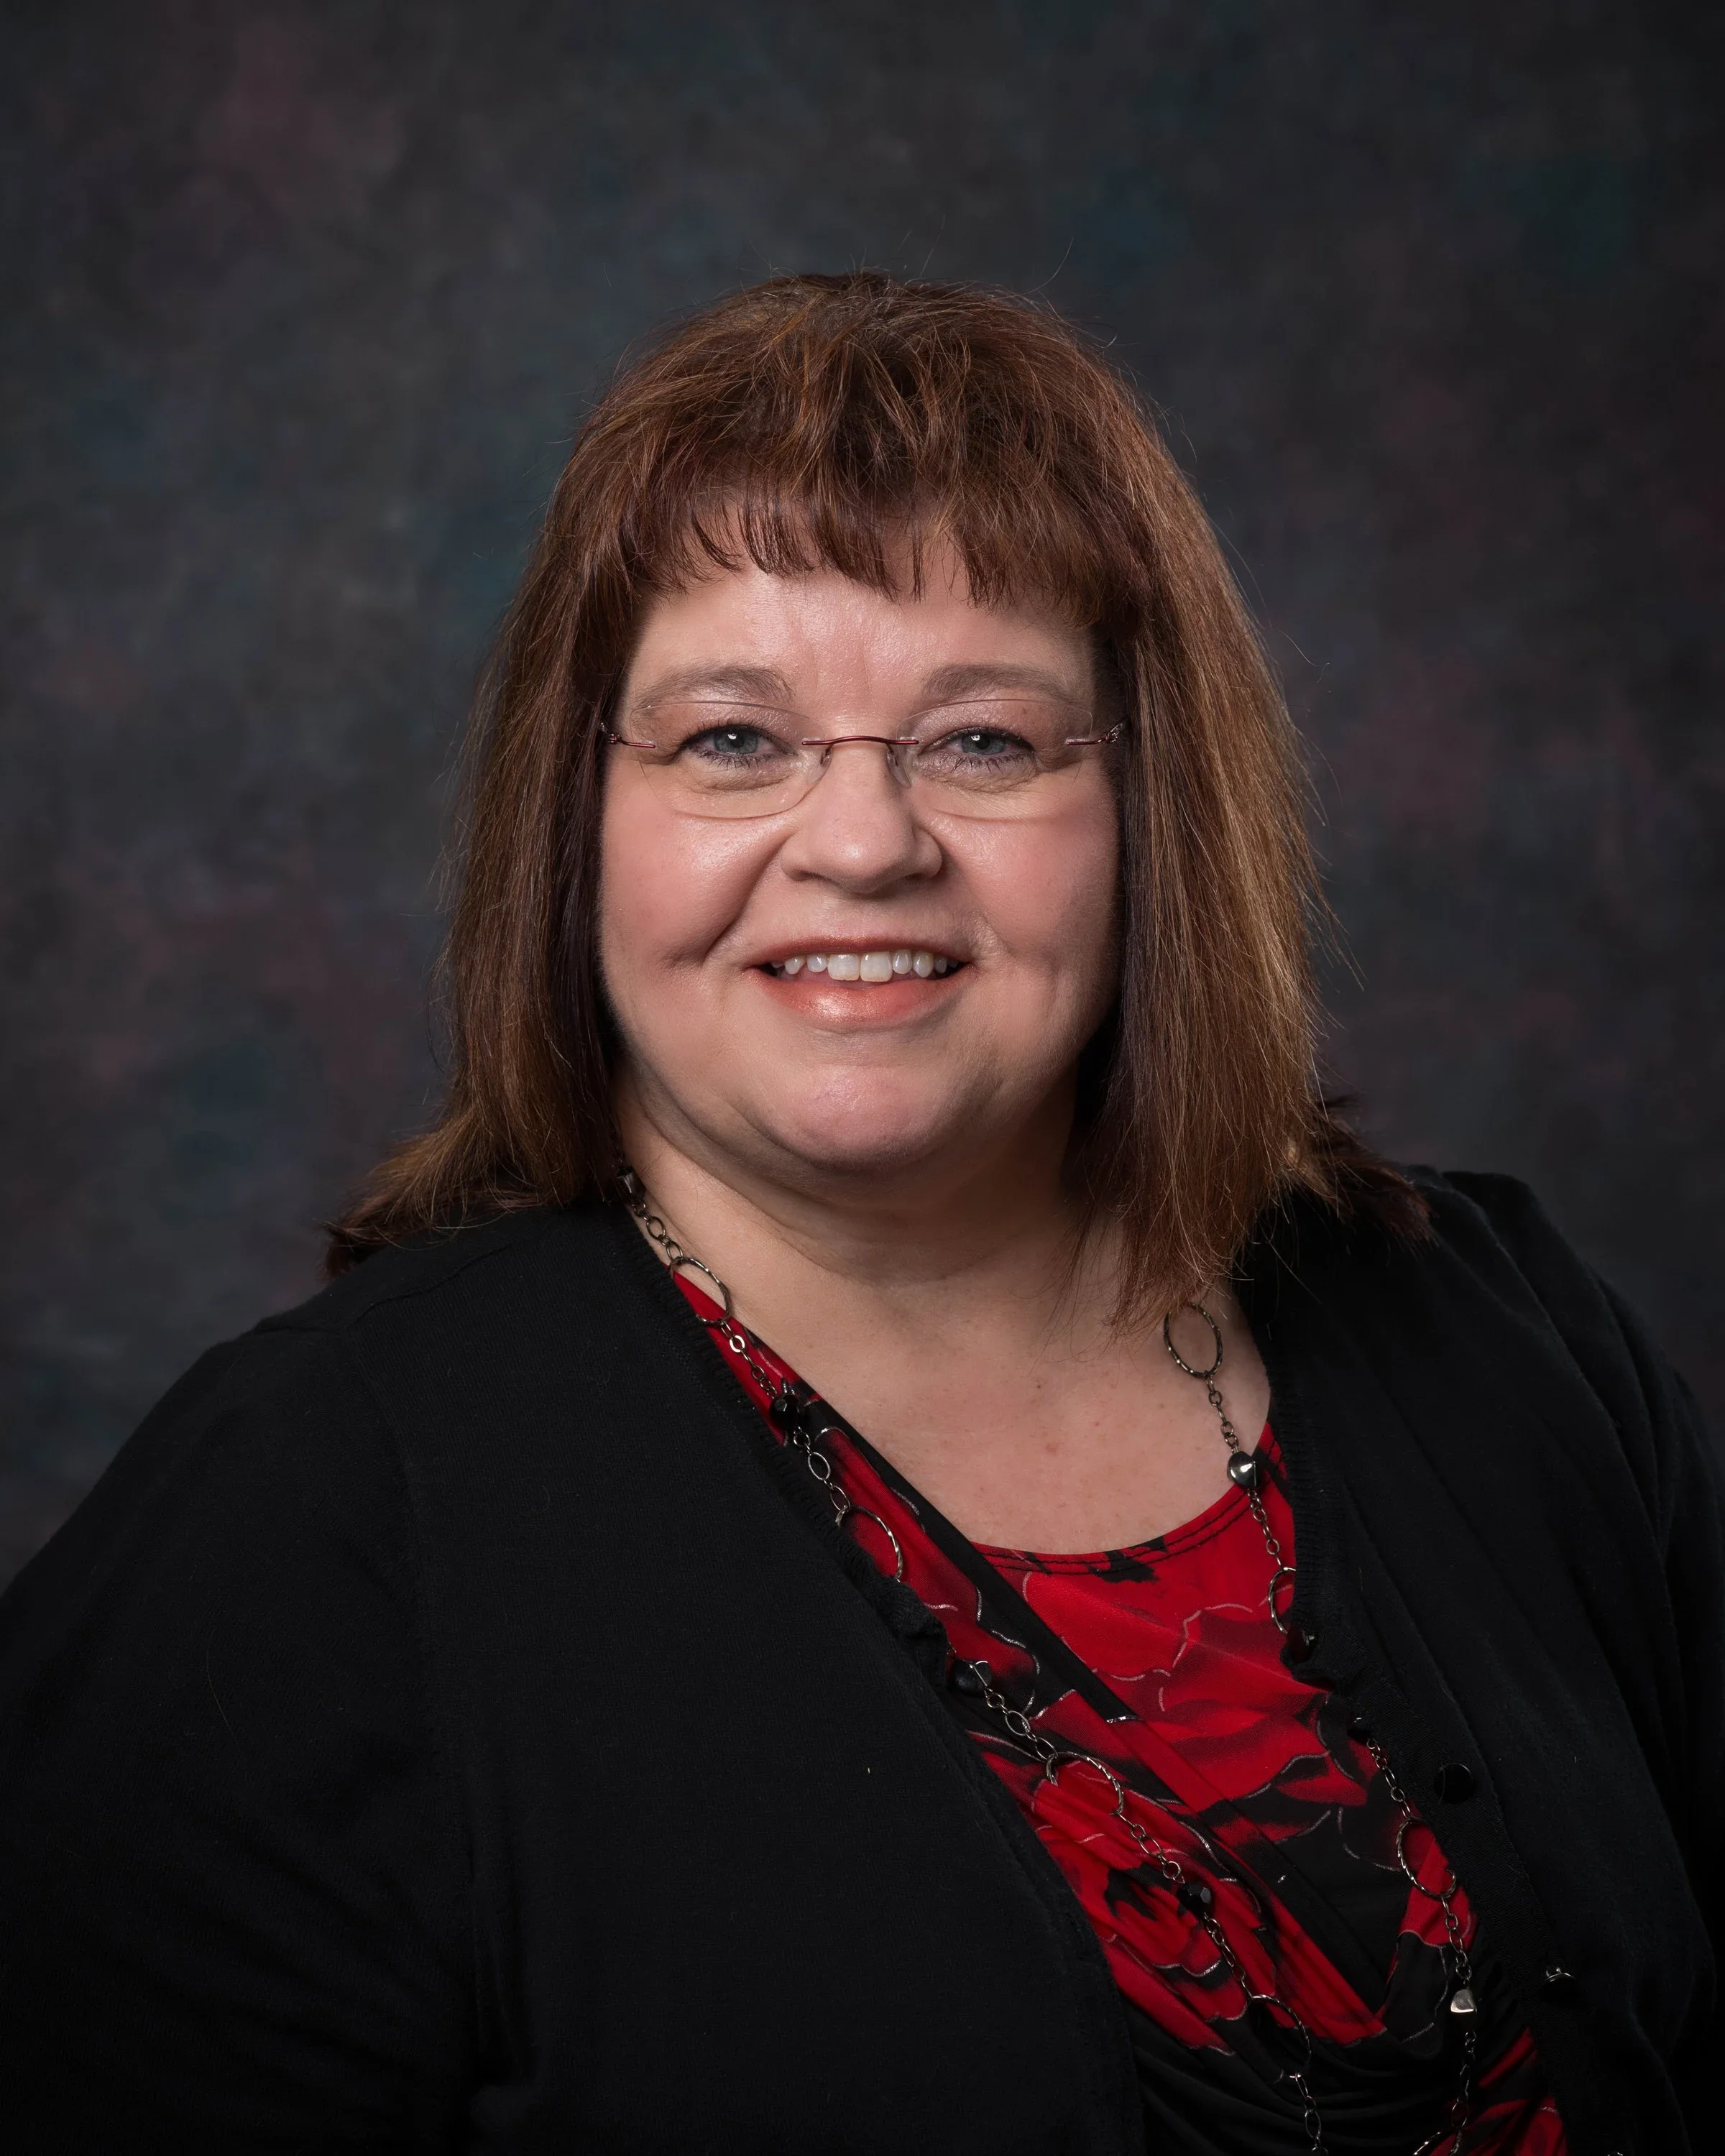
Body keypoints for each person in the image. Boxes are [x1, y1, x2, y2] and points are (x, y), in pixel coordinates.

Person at [0, 272, 1716, 2156]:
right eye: (733, 739)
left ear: (1154, 817)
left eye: (985, 740)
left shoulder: (1499, 1331)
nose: (864, 840)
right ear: (579, 822)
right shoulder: (303, 1516)